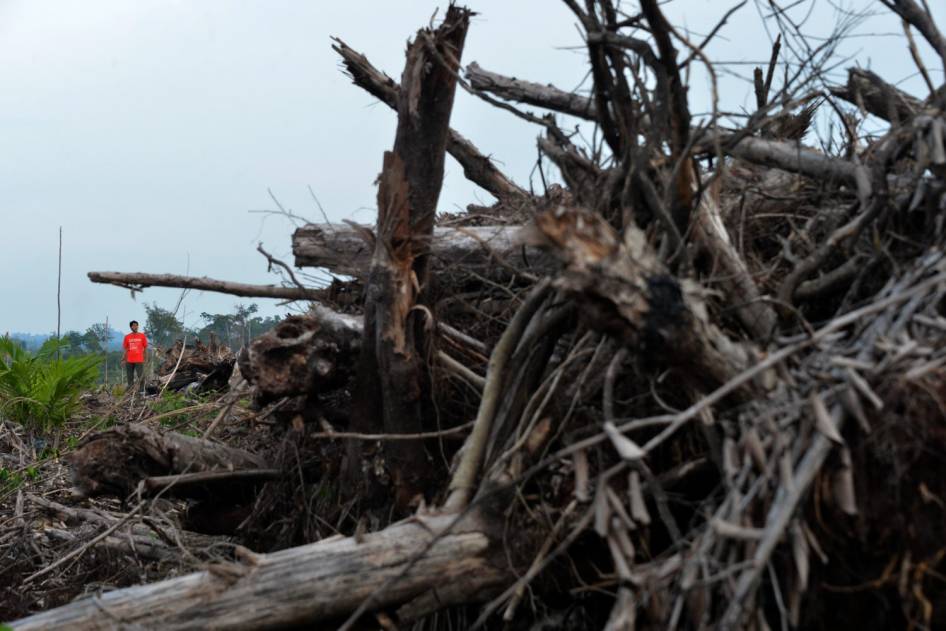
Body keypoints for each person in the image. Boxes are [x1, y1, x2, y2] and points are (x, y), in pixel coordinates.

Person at [123, 320, 148, 391]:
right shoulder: (127, 337)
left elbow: (145, 347)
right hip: (129, 360)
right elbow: (126, 349)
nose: (135, 327)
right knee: (130, 376)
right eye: (133, 325)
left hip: (139, 360)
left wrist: (146, 358)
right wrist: (123, 359)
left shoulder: (142, 336)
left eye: (136, 325)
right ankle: (131, 390)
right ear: (131, 327)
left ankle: (142, 390)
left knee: (141, 375)